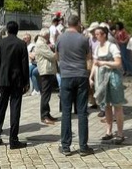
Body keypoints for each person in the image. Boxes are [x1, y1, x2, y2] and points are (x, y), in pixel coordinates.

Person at [56, 15, 94, 157]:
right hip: (81, 75)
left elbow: (57, 57)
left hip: (66, 76)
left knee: (66, 112)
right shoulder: (84, 39)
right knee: (82, 112)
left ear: (67, 24)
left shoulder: (60, 38)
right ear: (78, 23)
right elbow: (89, 58)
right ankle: (83, 147)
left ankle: (66, 146)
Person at [0, 21, 29, 149]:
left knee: (0, 108)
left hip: (3, 79)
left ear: (7, 30)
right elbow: (25, 65)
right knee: (15, 109)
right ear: (17, 30)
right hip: (17, 81)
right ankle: (13, 139)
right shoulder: (22, 44)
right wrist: (26, 82)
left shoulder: (0, 43)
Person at [90, 25, 126, 144]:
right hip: (101, 78)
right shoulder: (97, 48)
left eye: (98, 34)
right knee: (106, 106)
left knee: (117, 105)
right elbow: (95, 64)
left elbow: (118, 63)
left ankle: (120, 133)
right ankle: (108, 131)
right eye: (95, 34)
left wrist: (103, 62)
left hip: (113, 77)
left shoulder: (112, 46)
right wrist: (91, 77)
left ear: (104, 34)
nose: (96, 36)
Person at [35, 28, 58, 125]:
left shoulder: (43, 43)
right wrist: (57, 52)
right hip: (45, 71)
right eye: (48, 36)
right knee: (45, 94)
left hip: (48, 70)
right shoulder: (40, 44)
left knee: (47, 94)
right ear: (46, 35)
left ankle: (47, 113)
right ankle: (44, 116)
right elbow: (52, 56)